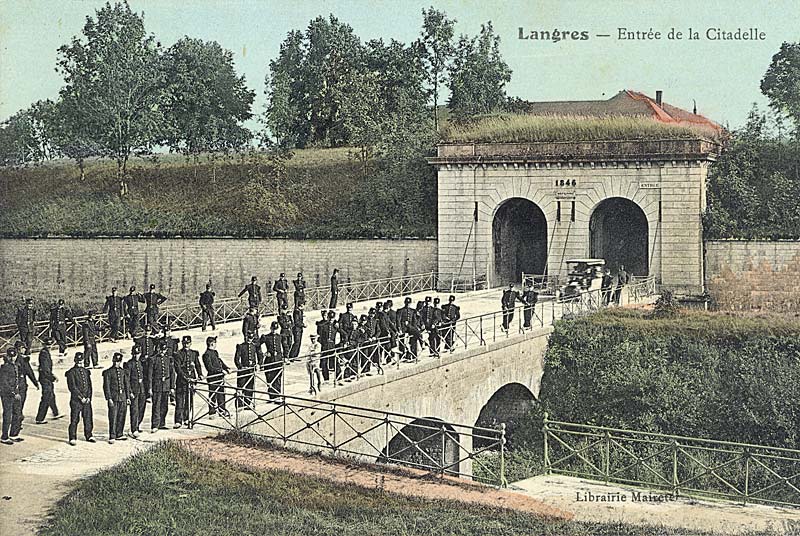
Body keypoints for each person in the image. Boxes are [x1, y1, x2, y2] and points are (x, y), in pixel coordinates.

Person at [65, 352, 95, 445]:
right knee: (74, 419)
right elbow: (72, 387)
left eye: (81, 361)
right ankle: (72, 437)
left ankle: (89, 435)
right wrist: (81, 397)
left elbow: (89, 386)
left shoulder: (86, 371)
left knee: (88, 418)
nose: (80, 363)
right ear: (75, 361)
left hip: (87, 400)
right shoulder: (71, 372)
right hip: (76, 401)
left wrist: (89, 397)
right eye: (78, 361)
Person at [174, 336, 203, 429]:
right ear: (182, 343)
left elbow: (197, 365)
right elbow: (178, 368)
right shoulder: (178, 354)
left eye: (188, 343)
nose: (186, 345)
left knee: (189, 400)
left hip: (192, 380)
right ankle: (178, 420)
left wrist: (200, 374)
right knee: (180, 401)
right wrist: (185, 377)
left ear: (190, 343)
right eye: (185, 343)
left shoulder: (194, 353)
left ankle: (186, 418)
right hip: (182, 380)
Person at [103, 352, 130, 444]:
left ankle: (120, 433)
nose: (116, 363)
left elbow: (126, 385)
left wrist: (128, 397)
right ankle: (112, 435)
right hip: (114, 398)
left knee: (122, 416)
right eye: (115, 361)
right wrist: (109, 398)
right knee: (113, 417)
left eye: (118, 361)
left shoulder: (123, 372)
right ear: (112, 360)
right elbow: (106, 387)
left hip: (122, 397)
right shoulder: (108, 372)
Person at [35, 338, 61, 424]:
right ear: (44, 345)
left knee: (51, 396)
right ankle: (40, 418)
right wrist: (52, 377)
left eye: (50, 345)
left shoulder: (45, 352)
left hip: (46, 377)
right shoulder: (44, 354)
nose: (49, 346)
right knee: (46, 397)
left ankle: (55, 412)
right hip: (45, 378)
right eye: (48, 345)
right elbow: (45, 369)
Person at [202, 337, 229, 418]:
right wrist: (221, 370)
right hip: (213, 377)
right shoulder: (206, 354)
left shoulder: (215, 352)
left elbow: (219, 361)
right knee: (213, 395)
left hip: (219, 377)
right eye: (215, 343)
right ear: (212, 343)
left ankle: (222, 410)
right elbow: (210, 368)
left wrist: (226, 368)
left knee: (221, 394)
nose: (216, 344)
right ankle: (212, 412)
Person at [0, 348, 23, 445]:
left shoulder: (16, 366)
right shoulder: (5, 368)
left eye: (14, 356)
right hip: (7, 395)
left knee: (17, 413)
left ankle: (13, 434)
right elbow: (4, 383)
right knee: (7, 415)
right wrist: (14, 393)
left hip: (15, 393)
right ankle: (4, 436)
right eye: (11, 356)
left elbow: (17, 380)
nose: (12, 358)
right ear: (8, 356)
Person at [14, 342, 39, 432]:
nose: (25, 350)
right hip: (21, 387)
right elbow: (29, 372)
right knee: (19, 407)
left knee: (16, 407)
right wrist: (35, 383)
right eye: (23, 348)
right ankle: (16, 427)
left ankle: (16, 424)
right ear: (20, 349)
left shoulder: (10, 358)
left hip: (14, 387)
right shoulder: (22, 360)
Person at [149, 342, 173, 432]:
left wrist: (171, 387)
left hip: (166, 385)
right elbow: (150, 375)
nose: (162, 351)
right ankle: (155, 425)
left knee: (164, 406)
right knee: (156, 406)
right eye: (161, 349)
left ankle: (162, 423)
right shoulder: (153, 359)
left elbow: (171, 373)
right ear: (158, 349)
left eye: (164, 350)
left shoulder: (168, 359)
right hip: (157, 385)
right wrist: (150, 388)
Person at [124, 346, 146, 437]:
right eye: (135, 354)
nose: (136, 356)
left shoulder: (141, 363)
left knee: (141, 408)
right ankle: (134, 429)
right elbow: (127, 380)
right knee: (134, 410)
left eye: (138, 354)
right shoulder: (129, 364)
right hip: (134, 390)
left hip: (142, 389)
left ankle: (137, 425)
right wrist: (130, 392)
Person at [234, 333, 260, 409]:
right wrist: (240, 367)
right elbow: (236, 359)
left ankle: (247, 404)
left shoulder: (254, 346)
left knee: (250, 388)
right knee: (240, 388)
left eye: (251, 338)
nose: (249, 340)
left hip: (251, 370)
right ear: (246, 337)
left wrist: (259, 364)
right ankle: (239, 405)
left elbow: (260, 356)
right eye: (248, 338)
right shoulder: (241, 346)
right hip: (243, 371)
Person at [261, 322, 283, 399]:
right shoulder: (266, 337)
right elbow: (257, 346)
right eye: (273, 329)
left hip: (278, 360)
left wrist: (286, 357)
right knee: (270, 379)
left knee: (278, 379)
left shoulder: (280, 337)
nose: (274, 331)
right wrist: (264, 353)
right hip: (269, 361)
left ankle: (278, 396)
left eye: (276, 329)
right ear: (270, 328)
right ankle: (272, 396)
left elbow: (286, 346)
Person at [397, 297, 420, 362]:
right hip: (403, 328)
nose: (408, 305)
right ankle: (402, 356)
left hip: (410, 327)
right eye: (407, 303)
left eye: (409, 303)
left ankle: (414, 355)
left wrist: (415, 327)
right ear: (405, 303)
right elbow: (398, 320)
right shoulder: (401, 310)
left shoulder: (412, 311)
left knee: (415, 337)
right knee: (401, 340)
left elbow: (414, 320)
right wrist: (399, 329)